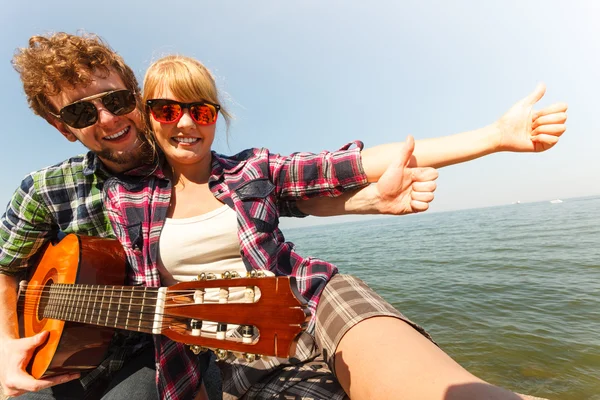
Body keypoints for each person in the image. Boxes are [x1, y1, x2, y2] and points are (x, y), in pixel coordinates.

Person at [0, 31, 439, 400]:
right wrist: (5, 344)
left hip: (153, 350)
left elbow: (269, 196)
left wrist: (367, 201)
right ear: (62, 127)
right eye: (80, 112)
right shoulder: (42, 191)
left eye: (116, 99)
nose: (107, 117)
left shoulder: (179, 153)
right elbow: (6, 268)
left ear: (137, 99)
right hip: (62, 348)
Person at [102, 53, 567, 400]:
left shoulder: (252, 170)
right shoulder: (126, 199)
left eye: (200, 111)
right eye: (167, 110)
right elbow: (154, 308)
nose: (185, 122)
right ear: (147, 117)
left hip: (312, 296)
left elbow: (350, 164)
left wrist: (494, 137)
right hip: (244, 352)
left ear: (214, 118)